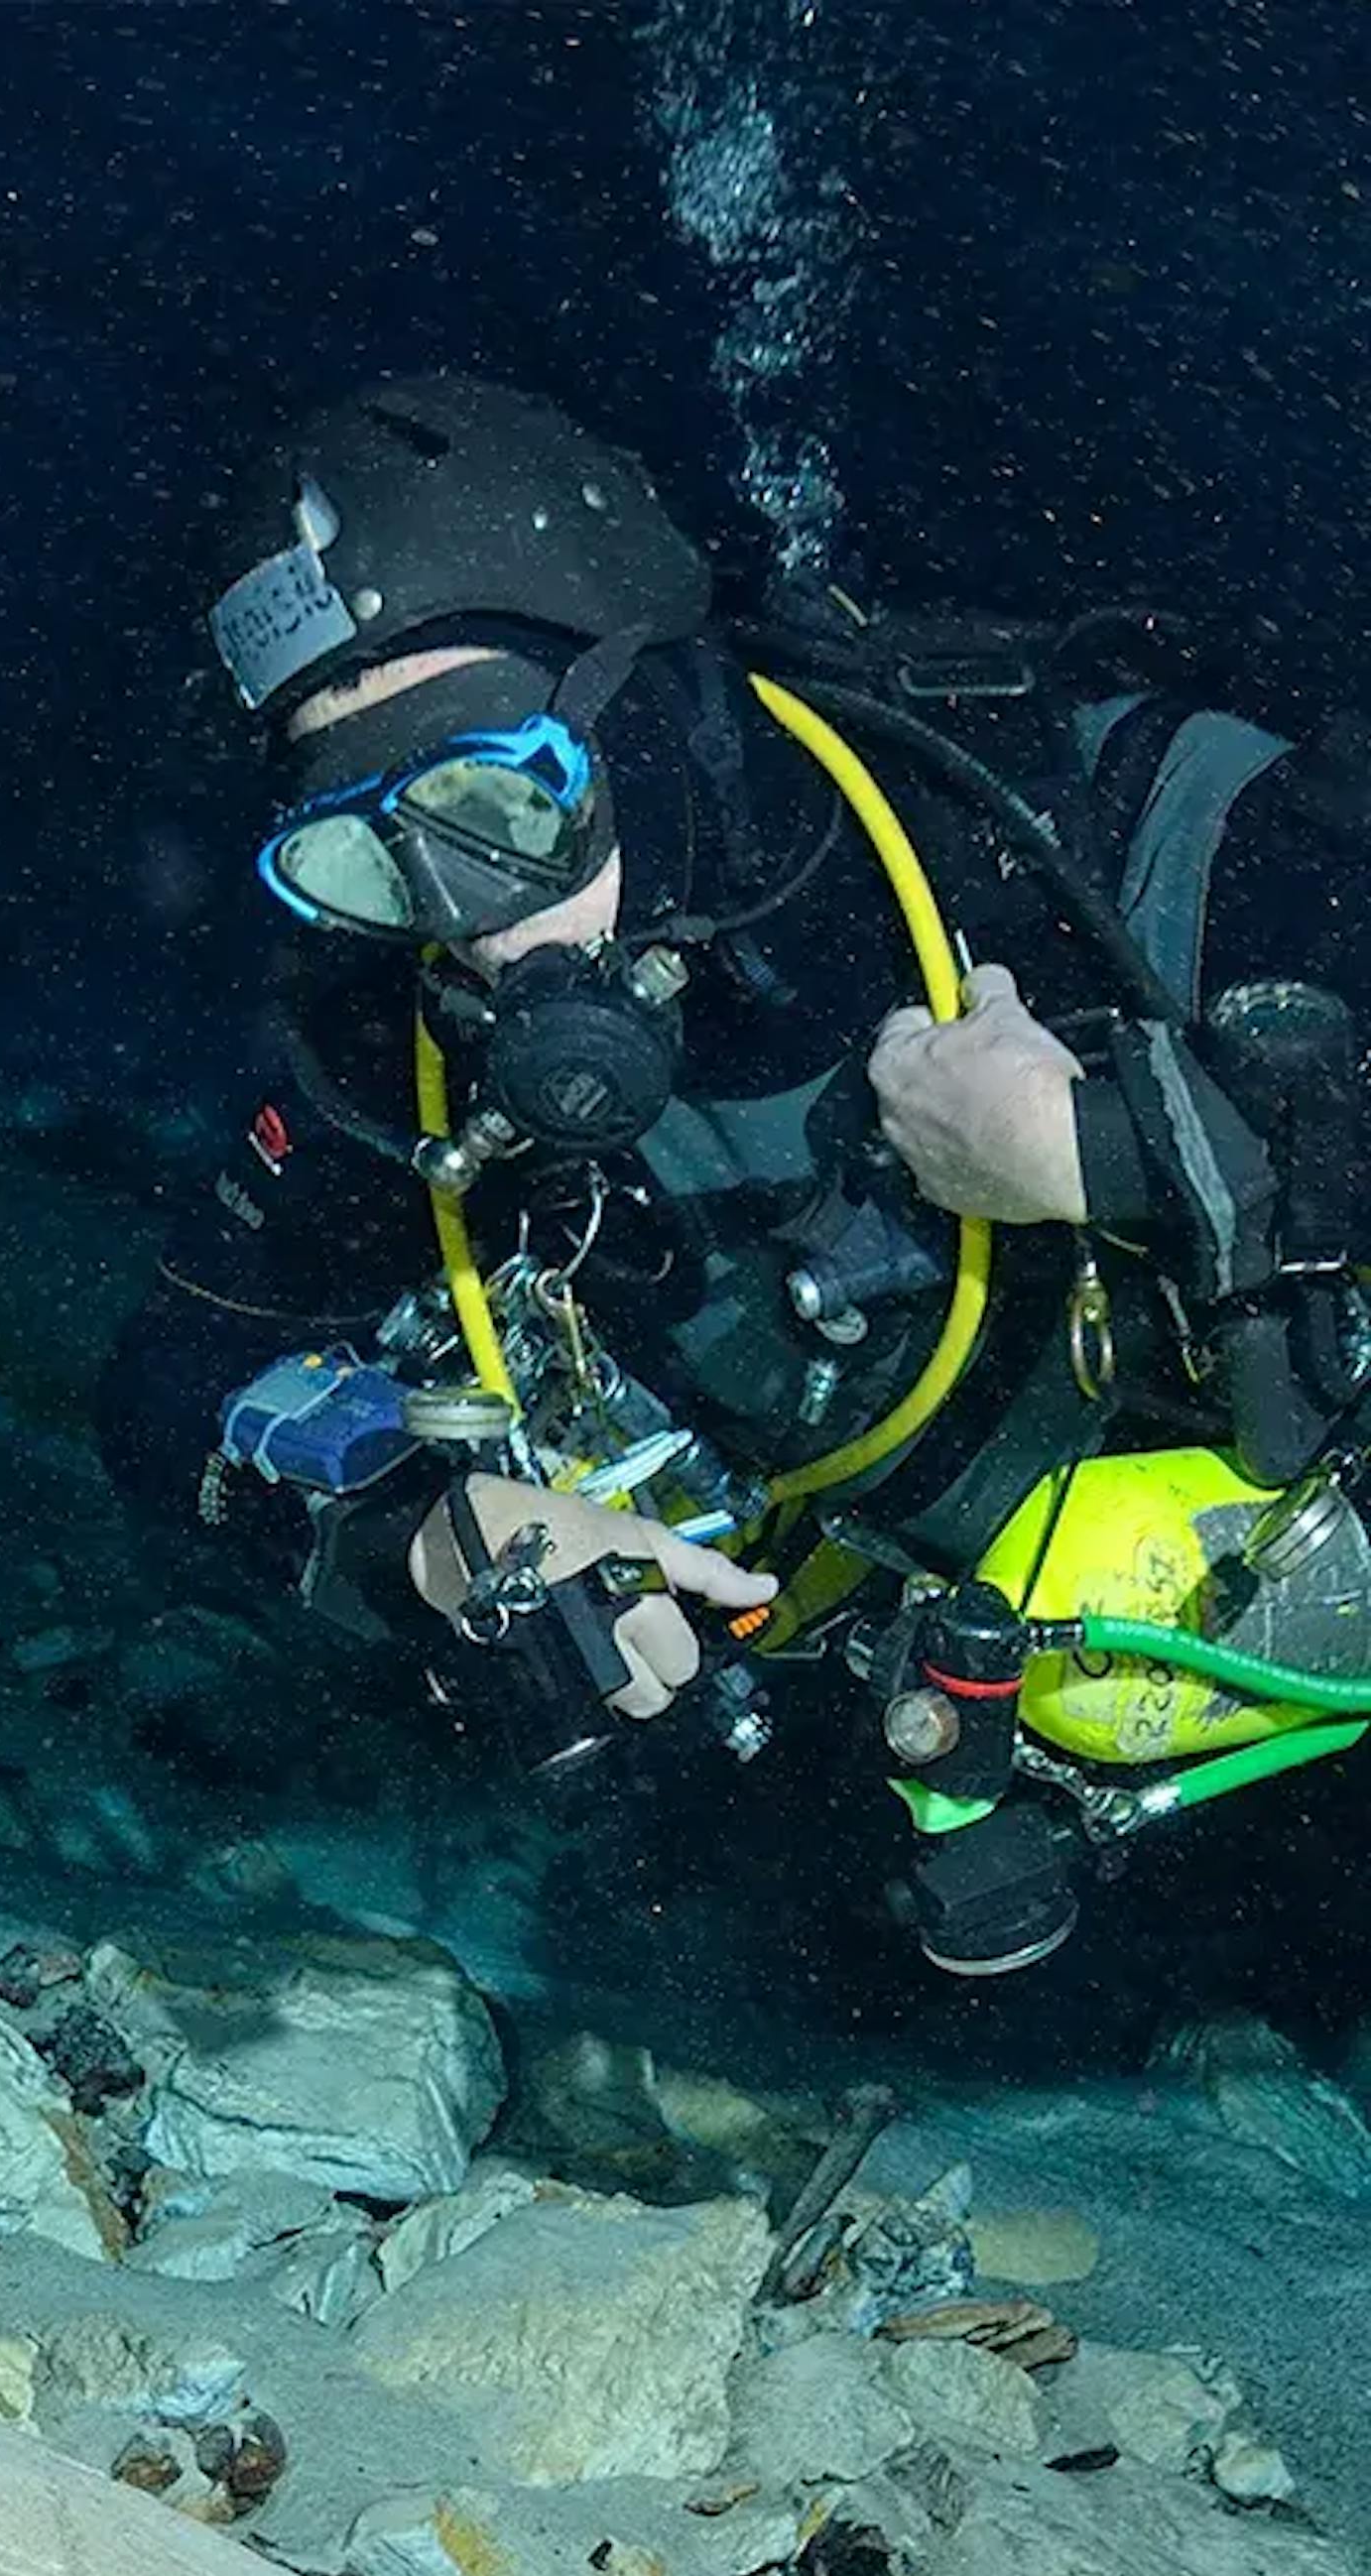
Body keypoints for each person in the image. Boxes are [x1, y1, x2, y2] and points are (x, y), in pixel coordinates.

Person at [184, 375, 1371, 1970]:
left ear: (648, 699)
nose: (467, 924)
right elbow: (177, 1370)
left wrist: (1121, 1151)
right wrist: (413, 1527)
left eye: (491, 808)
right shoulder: (403, 1053)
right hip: (935, 1802)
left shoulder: (1088, 827)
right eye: (365, 855)